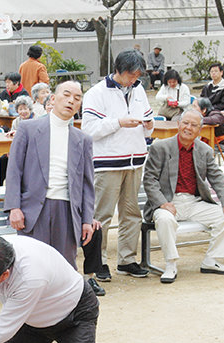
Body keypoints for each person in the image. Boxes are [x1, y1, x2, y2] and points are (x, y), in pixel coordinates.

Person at [5, 81, 106, 297]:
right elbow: (14, 170)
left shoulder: (83, 140)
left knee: (65, 268)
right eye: (67, 94)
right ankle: (31, 321)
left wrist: (87, 219)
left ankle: (63, 317)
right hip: (32, 210)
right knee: (30, 269)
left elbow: (88, 184)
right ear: (52, 99)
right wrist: (14, 207)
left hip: (67, 211)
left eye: (77, 98)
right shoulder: (28, 129)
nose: (71, 100)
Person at [81, 48, 154, 281]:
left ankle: (127, 259)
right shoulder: (96, 93)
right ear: (118, 71)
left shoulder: (139, 89)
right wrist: (119, 123)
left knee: (132, 213)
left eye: (137, 75)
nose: (134, 79)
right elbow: (89, 130)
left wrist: (149, 125)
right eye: (131, 75)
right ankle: (98, 262)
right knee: (101, 215)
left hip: (135, 160)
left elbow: (147, 124)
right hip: (107, 163)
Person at [144, 108, 224, 283]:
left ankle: (211, 261)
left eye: (194, 125)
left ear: (199, 130)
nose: (188, 127)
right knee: (164, 220)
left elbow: (217, 178)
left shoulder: (204, 150)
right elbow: (150, 180)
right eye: (185, 123)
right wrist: (163, 203)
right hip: (168, 202)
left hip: (194, 202)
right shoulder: (160, 147)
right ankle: (170, 264)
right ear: (178, 124)